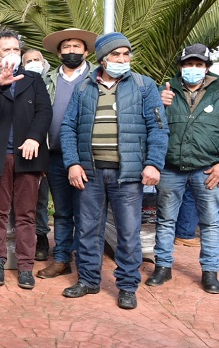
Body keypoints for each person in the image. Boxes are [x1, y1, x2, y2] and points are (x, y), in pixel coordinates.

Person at [60, 32, 168, 310]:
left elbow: (158, 129)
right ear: (102, 59)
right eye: (115, 55)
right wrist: (72, 162)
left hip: (128, 176)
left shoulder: (144, 86)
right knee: (86, 230)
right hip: (90, 173)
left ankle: (127, 286)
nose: (122, 59)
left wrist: (154, 164)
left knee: (129, 233)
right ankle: (88, 280)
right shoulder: (84, 87)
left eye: (126, 54)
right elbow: (68, 127)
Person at [0, 31, 52, 290]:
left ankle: (26, 266)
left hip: (27, 156)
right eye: (7, 50)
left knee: (26, 214)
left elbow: (44, 111)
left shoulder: (33, 80)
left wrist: (34, 138)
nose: (13, 54)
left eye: (16, 50)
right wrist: (0, 83)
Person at [146, 44, 219, 294]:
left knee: (210, 222)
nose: (193, 69)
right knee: (166, 220)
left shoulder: (218, 91)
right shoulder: (165, 90)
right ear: (180, 67)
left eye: (199, 65)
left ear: (206, 68)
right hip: (170, 168)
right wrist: (159, 104)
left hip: (207, 168)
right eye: (189, 64)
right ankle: (163, 267)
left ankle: (210, 272)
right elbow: (150, 124)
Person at [36, 28, 97, 278]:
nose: (71, 51)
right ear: (59, 51)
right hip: (54, 155)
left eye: (76, 47)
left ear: (85, 50)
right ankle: (61, 258)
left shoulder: (96, 77)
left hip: (87, 156)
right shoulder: (47, 79)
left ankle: (85, 261)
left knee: (87, 211)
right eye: (67, 47)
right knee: (62, 211)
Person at [21, 49, 53, 262]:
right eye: (29, 61)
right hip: (31, 149)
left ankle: (50, 239)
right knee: (35, 199)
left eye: (37, 60)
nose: (33, 63)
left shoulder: (54, 82)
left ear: (44, 63)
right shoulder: (21, 82)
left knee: (50, 199)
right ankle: (38, 236)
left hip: (55, 148)